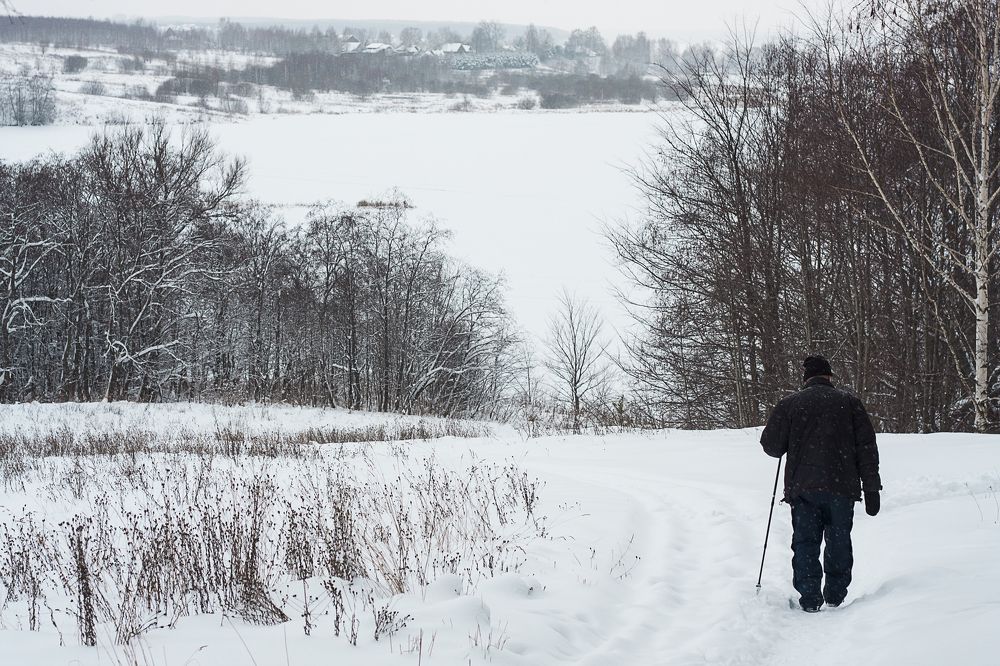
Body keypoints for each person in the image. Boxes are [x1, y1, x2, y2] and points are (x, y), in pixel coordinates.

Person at [760, 355, 882, 612]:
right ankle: (836, 596)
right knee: (838, 539)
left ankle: (810, 597)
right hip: (842, 486)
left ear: (805, 379)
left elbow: (771, 447)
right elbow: (867, 448)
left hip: (803, 487)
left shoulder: (790, 404)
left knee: (805, 541)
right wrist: (871, 487)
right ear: (829, 377)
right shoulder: (849, 403)